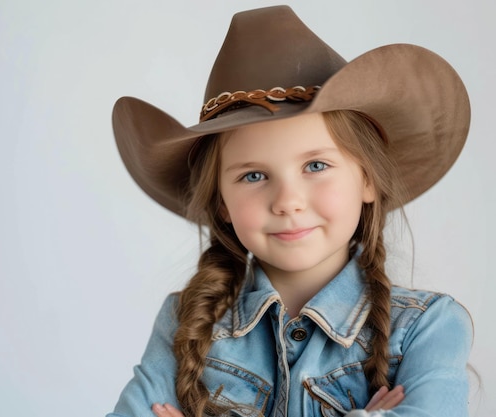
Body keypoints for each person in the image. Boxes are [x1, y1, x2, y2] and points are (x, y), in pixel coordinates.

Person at [109, 5, 473, 417]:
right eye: (253, 176)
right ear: (221, 203)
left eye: (316, 166)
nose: (287, 201)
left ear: (367, 180)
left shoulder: (429, 327)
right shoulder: (184, 323)